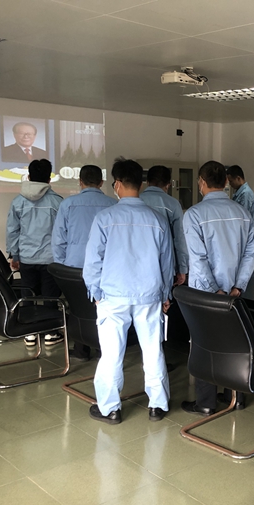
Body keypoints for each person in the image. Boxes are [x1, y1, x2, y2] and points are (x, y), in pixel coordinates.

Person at [83, 158, 174, 425]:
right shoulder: (158, 220)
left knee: (112, 354)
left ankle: (110, 409)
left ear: (118, 184)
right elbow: (167, 264)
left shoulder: (105, 218)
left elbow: (92, 262)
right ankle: (158, 405)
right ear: (141, 184)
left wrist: (95, 293)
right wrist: (165, 294)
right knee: (153, 351)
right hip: (150, 295)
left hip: (112, 296)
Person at [181, 160, 254, 415]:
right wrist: (238, 286)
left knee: (205, 343)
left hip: (206, 294)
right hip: (235, 293)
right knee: (235, 342)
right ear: (226, 182)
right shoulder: (243, 213)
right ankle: (235, 396)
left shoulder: (194, 215)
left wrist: (215, 291)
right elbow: (250, 254)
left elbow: (198, 259)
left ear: (201, 183)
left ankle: (206, 403)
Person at [51, 164, 115, 359]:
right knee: (103, 306)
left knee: (77, 307)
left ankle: (81, 349)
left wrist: (61, 267)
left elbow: (58, 239)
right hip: (105, 266)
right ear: (101, 182)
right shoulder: (113, 204)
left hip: (74, 265)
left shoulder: (68, 204)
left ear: (80, 182)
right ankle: (103, 348)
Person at [6, 158, 64, 347]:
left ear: (29, 177)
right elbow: (63, 232)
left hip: (26, 257)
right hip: (50, 259)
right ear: (49, 179)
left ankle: (30, 333)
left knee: (27, 295)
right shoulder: (57, 202)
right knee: (50, 296)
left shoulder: (18, 202)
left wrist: (14, 255)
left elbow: (12, 231)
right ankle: (51, 333)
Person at [139, 165, 188, 286]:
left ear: (147, 182)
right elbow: (179, 239)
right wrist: (182, 268)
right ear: (168, 185)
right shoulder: (173, 204)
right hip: (166, 264)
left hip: (138, 262)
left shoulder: (136, 200)